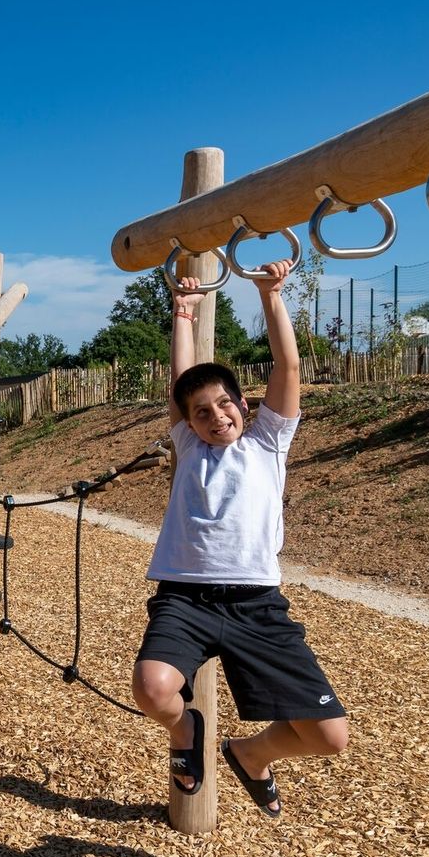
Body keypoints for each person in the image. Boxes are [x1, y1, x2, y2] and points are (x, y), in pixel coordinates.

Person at [131, 259, 348, 819]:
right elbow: (182, 380)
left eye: (225, 404)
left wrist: (271, 295)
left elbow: (288, 363)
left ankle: (251, 754)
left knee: (329, 736)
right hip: (187, 597)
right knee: (153, 690)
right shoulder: (189, 448)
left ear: (245, 406)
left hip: (257, 603)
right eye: (201, 412)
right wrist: (182, 313)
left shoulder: (269, 443)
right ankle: (187, 731)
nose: (214, 415)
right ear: (188, 423)